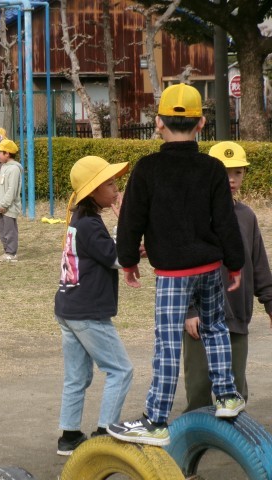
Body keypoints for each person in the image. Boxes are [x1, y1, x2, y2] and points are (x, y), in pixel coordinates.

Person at [108, 83, 246, 447]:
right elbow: (226, 222)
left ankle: (156, 420)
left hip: (172, 274)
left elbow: (131, 220)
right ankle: (227, 396)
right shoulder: (213, 168)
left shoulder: (147, 169)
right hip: (210, 267)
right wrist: (235, 264)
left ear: (158, 123)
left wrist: (127, 261)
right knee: (215, 328)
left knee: (168, 343)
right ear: (201, 123)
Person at [183, 141, 272, 412]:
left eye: (238, 172)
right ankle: (196, 435)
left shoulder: (247, 216)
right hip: (200, 319)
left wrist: (269, 302)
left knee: (234, 392)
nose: (231, 179)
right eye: (224, 172)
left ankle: (235, 435)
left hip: (236, 315)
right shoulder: (194, 214)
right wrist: (190, 309)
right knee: (199, 388)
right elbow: (183, 265)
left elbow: (258, 264)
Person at [55, 156, 133, 456]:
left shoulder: (81, 221)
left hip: (69, 307)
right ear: (92, 191)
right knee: (120, 370)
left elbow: (106, 251)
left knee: (77, 377)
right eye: (109, 184)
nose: (116, 189)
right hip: (87, 311)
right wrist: (126, 224)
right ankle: (104, 432)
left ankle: (69, 436)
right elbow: (116, 257)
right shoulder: (90, 224)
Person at [0, 139, 23, 263]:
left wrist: (4, 204)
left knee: (10, 230)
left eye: (0, 153)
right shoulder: (4, 167)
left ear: (7, 154)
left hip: (8, 207)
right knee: (2, 230)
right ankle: (7, 251)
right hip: (2, 206)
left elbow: (12, 189)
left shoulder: (14, 169)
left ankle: (11, 253)